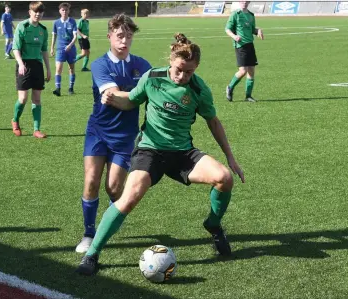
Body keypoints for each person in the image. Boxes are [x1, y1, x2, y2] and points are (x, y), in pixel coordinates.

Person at [76, 33, 245, 276]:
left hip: (182, 153)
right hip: (150, 150)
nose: (183, 76)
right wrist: (113, 98)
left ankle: (213, 225)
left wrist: (230, 157)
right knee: (130, 195)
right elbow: (131, 100)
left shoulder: (199, 88)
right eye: (179, 70)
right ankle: (92, 255)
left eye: (189, 72)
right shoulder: (152, 78)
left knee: (224, 178)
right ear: (171, 62)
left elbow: (213, 122)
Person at [75, 14, 152, 253]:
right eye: (120, 36)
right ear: (109, 37)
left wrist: (124, 98)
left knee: (114, 188)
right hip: (98, 132)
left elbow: (124, 97)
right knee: (91, 181)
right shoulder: (100, 65)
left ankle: (110, 220)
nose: (124, 41)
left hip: (125, 137)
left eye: (128, 36)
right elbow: (112, 96)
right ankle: (89, 234)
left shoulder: (142, 65)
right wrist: (134, 97)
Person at [11, 1, 51, 139]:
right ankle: (15, 121)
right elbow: (15, 48)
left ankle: (36, 129)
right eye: (35, 12)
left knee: (37, 99)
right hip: (24, 65)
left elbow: (44, 50)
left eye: (40, 12)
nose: (38, 14)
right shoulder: (22, 26)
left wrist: (48, 69)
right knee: (22, 99)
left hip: (37, 66)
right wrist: (21, 64)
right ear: (30, 12)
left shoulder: (43, 30)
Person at [225, 1, 264, 103]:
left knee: (251, 71)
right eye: (242, 1)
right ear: (239, 2)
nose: (244, 3)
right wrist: (234, 36)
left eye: (246, 1)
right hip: (240, 46)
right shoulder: (235, 14)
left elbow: (252, 30)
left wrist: (258, 30)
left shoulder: (251, 15)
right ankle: (230, 87)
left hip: (250, 45)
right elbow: (227, 29)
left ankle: (248, 96)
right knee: (243, 71)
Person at [50, 2, 78, 96]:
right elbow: (54, 36)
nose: (64, 11)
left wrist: (70, 45)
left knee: (71, 68)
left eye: (66, 10)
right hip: (60, 49)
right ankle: (58, 89)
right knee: (58, 68)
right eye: (63, 10)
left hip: (71, 49)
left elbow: (75, 36)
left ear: (69, 11)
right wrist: (52, 48)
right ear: (59, 11)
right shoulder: (56, 23)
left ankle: (71, 88)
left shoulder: (73, 21)